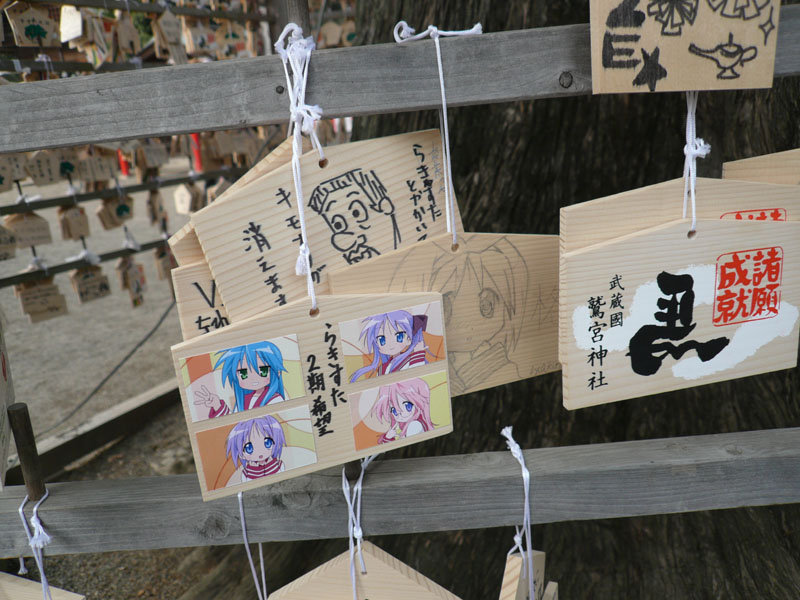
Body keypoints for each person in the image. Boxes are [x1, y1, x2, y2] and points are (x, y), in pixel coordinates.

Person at [194, 341, 287, 419]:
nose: (253, 378)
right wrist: (217, 405)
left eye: (263, 371)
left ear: (277, 371)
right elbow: (234, 424)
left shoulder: (275, 400)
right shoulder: (244, 400)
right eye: (243, 373)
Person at [349, 310, 428, 382]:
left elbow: (417, 376)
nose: (390, 344)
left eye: (399, 336)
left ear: (409, 339)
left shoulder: (413, 360)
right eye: (382, 340)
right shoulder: (382, 369)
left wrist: (418, 353)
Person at [372, 378, 435, 444]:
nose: (400, 413)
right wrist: (388, 437)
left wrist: (388, 438)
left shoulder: (415, 425)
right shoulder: (404, 425)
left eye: (407, 406)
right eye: (394, 411)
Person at [225, 415, 286, 484]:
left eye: (267, 443)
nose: (260, 452)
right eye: (249, 448)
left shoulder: (278, 465)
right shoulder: (246, 473)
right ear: (241, 455)